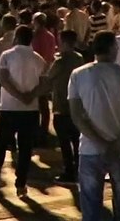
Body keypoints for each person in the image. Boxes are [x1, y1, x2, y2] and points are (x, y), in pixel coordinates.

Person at [69, 31, 120, 221]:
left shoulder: (78, 75)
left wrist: (100, 143)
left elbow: (77, 115)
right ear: (113, 49)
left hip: (91, 149)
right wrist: (116, 145)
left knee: (91, 206)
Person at [0, 24, 44, 196]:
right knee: (25, 148)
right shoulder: (38, 59)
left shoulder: (6, 55)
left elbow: (3, 80)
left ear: (17, 38)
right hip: (31, 109)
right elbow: (44, 83)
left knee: (0, 146)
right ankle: (21, 184)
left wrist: (19, 96)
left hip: (10, 108)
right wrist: (29, 96)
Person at [48, 29, 84, 183]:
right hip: (76, 105)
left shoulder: (60, 61)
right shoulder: (79, 58)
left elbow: (49, 76)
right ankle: (79, 169)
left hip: (61, 105)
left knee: (64, 142)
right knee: (77, 141)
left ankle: (69, 171)